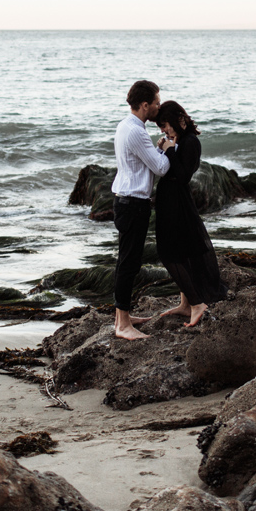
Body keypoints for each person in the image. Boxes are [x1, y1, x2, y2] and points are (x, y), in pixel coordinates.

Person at [152, 101, 228, 326]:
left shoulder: (191, 142)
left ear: (178, 120)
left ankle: (197, 304)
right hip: (169, 200)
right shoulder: (178, 141)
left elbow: (184, 175)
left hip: (178, 202)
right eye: (160, 127)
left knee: (169, 253)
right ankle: (186, 303)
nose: (163, 130)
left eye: (164, 125)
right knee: (180, 250)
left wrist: (170, 150)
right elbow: (168, 168)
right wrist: (162, 149)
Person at [110, 80, 173, 340]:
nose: (159, 106)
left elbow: (143, 161)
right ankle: (123, 325)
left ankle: (121, 317)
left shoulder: (126, 126)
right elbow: (161, 168)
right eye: (157, 102)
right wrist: (168, 148)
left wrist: (157, 149)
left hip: (126, 201)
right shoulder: (137, 132)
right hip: (133, 203)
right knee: (129, 264)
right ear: (145, 105)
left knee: (126, 261)